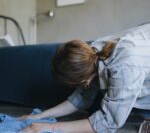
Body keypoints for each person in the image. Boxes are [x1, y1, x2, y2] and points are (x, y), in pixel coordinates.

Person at [20, 23, 150, 133]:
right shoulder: (91, 53)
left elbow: (108, 123)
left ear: (85, 82)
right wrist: (39, 116)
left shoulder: (124, 66)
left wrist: (51, 127)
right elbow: (79, 99)